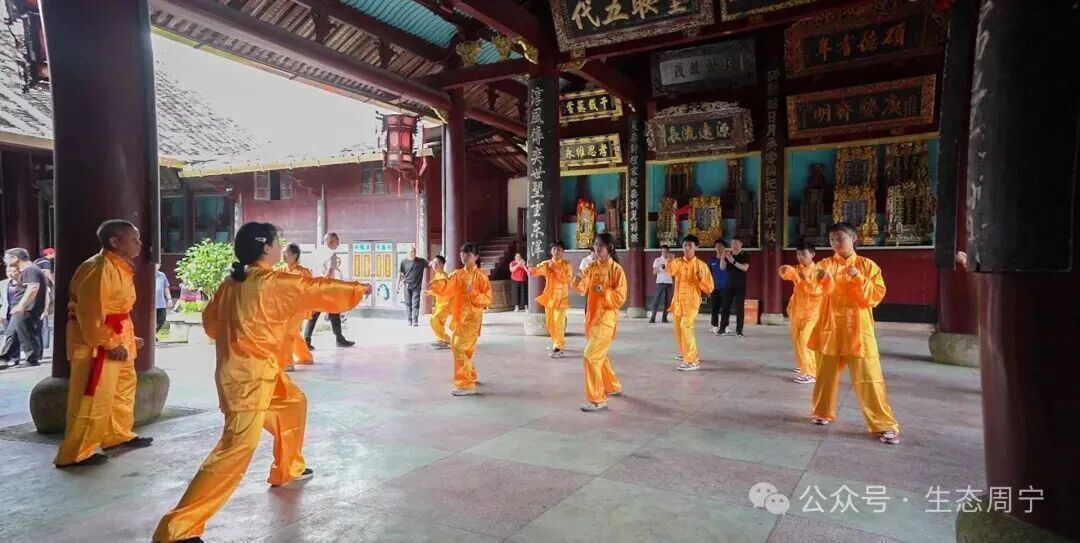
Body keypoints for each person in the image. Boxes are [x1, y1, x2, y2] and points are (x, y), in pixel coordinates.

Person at [153, 222, 369, 543]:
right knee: (236, 449)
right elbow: (314, 288)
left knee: (292, 404)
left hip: (255, 370)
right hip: (247, 379)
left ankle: (288, 467)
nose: (280, 247)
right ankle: (177, 528)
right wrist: (357, 289)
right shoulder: (270, 281)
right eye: (277, 242)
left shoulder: (233, 283)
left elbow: (211, 325)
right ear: (266, 248)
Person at [54, 220, 151, 467]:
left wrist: (129, 337)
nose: (139, 244)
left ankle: (116, 435)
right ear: (114, 242)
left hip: (119, 335)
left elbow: (118, 310)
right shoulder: (98, 268)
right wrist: (107, 343)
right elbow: (90, 312)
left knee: (121, 389)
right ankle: (76, 453)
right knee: (93, 395)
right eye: (134, 239)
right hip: (95, 341)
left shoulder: (119, 266)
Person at [808, 222, 900, 445]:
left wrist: (859, 277)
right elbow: (814, 288)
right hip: (831, 327)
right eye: (832, 239)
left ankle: (883, 424)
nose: (835, 243)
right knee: (825, 375)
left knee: (869, 378)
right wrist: (822, 280)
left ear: (854, 238)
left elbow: (875, 296)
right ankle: (822, 411)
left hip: (858, 329)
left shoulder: (867, 266)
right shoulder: (825, 264)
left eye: (840, 238)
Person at [428, 243, 492, 396]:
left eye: (468, 253)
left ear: (476, 257)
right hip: (459, 318)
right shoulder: (457, 274)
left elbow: (488, 299)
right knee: (464, 350)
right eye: (462, 253)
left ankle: (466, 384)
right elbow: (448, 284)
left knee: (458, 347)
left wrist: (474, 293)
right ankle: (469, 375)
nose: (464, 256)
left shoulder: (480, 276)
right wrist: (437, 285)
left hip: (472, 319)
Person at [572, 233, 626, 412]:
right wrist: (578, 278)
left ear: (609, 247)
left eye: (600, 245)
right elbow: (582, 288)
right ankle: (612, 386)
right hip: (592, 319)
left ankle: (597, 399)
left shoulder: (616, 270)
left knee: (591, 356)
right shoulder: (592, 267)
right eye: (595, 244)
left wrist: (605, 291)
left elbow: (620, 298)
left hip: (606, 320)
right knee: (599, 356)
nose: (597, 248)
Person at [778, 240, 823, 384]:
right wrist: (784, 270)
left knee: (805, 341)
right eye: (798, 254)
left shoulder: (819, 271)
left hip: (812, 312)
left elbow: (818, 291)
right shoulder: (797, 269)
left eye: (803, 254)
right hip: (797, 310)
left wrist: (806, 281)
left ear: (812, 254)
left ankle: (811, 372)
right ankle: (803, 364)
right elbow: (787, 273)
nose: (800, 257)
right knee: (796, 339)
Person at [667, 235, 714, 371]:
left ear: (696, 247)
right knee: (678, 329)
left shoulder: (701, 266)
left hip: (692, 303)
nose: (687, 248)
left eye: (690, 246)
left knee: (686, 326)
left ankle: (692, 361)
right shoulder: (678, 262)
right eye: (685, 245)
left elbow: (709, 288)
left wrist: (700, 279)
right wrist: (669, 261)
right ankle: (686, 353)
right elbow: (671, 271)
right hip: (678, 302)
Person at [303, 232, 355, 347]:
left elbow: (308, 270)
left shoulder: (315, 253)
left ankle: (307, 340)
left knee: (318, 314)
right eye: (337, 241)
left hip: (315, 287)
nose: (338, 243)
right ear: (331, 241)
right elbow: (329, 272)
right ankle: (339, 339)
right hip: (326, 288)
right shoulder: (331, 253)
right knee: (333, 311)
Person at [0, 248, 48, 368]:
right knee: (12, 333)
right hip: (22, 307)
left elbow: (33, 288)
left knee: (26, 334)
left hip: (27, 308)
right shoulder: (28, 270)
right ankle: (5, 357)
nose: (5, 261)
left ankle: (32, 359)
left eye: (7, 258)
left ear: (15, 258)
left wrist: (21, 305)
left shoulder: (30, 269)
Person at [530, 241, 572, 358]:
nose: (556, 251)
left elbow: (567, 279)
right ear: (551, 251)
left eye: (559, 249)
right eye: (554, 249)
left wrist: (556, 269)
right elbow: (539, 269)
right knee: (550, 322)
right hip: (550, 298)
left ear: (563, 252)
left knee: (558, 322)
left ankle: (558, 347)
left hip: (561, 298)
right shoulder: (547, 264)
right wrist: (532, 270)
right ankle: (556, 342)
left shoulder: (567, 265)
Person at [280, 243, 314, 371]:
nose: (283, 256)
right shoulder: (281, 271)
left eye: (286, 253)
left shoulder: (303, 272)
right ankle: (305, 357)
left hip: (298, 309)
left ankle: (287, 363)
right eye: (282, 253)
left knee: (287, 333)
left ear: (295, 255)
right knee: (294, 333)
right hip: (285, 308)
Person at [718, 237, 751, 337]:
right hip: (729, 284)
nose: (733, 245)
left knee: (739, 308)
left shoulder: (744, 255)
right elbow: (722, 268)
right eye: (732, 243)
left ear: (741, 244)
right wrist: (723, 257)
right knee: (725, 307)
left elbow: (745, 268)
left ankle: (739, 330)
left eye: (736, 243)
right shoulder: (729, 255)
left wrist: (733, 262)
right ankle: (722, 328)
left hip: (740, 285)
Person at [397, 246, 428, 327]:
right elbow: (400, 274)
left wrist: (437, 261)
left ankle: (415, 320)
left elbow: (430, 264)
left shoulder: (421, 261)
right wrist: (397, 286)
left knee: (415, 304)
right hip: (407, 286)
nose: (413, 253)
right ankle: (409, 320)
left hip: (416, 287)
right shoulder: (404, 262)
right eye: (412, 252)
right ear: (408, 253)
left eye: (414, 251)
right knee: (408, 303)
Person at [427, 255, 451, 349]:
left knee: (434, 319)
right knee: (438, 323)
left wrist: (431, 291)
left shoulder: (444, 276)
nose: (433, 265)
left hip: (445, 305)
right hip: (439, 304)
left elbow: (443, 291)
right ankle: (441, 341)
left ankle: (446, 339)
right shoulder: (437, 275)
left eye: (435, 263)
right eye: (433, 263)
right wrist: (430, 292)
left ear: (441, 264)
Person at [708, 239, 729, 334]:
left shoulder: (728, 259)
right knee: (714, 308)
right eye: (716, 246)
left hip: (726, 287)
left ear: (724, 248)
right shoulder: (711, 260)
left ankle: (725, 326)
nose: (718, 248)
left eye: (720, 246)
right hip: (714, 288)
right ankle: (715, 326)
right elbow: (708, 275)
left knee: (726, 308)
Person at [649, 245, 673, 324]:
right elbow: (654, 272)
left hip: (669, 282)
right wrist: (660, 266)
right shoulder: (657, 260)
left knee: (668, 302)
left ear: (668, 252)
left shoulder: (671, 260)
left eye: (666, 252)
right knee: (656, 300)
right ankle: (653, 317)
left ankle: (664, 318)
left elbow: (674, 272)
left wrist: (669, 264)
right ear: (661, 252)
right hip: (660, 282)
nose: (664, 253)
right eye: (663, 252)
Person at [154, 263, 172, 333]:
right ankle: (151, 335)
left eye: (158, 264)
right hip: (151, 304)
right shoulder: (147, 275)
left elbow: (166, 288)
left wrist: (169, 299)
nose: (156, 266)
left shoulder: (162, 275)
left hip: (160, 303)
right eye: (155, 264)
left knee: (162, 319)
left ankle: (154, 333)